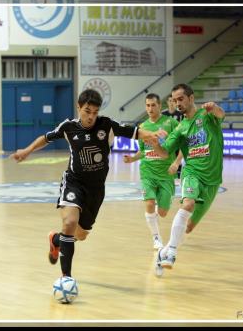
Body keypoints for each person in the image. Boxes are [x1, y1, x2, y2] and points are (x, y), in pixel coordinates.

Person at [9, 89, 158, 280]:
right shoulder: (69, 127)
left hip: (96, 189)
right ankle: (66, 279)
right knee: (69, 223)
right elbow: (46, 138)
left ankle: (55, 240)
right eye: (87, 111)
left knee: (80, 235)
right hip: (74, 182)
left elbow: (133, 132)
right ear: (78, 107)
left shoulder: (106, 125)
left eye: (95, 112)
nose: (91, 117)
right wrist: (27, 150)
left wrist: (150, 136)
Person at [146, 83, 225, 276]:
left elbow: (221, 114)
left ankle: (162, 253)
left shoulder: (207, 116)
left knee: (188, 227)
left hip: (212, 180)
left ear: (191, 98)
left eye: (181, 99)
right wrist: (155, 143)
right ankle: (171, 252)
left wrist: (214, 107)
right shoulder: (180, 128)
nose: (178, 103)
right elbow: (165, 153)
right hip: (192, 173)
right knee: (187, 204)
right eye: (174, 100)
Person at [123, 93, 182, 250]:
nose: (150, 108)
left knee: (162, 213)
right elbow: (143, 152)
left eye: (153, 105)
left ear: (159, 106)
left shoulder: (171, 123)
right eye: (147, 105)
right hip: (147, 172)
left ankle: (156, 214)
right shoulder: (142, 127)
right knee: (149, 203)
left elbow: (182, 144)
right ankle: (156, 238)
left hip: (166, 174)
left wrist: (177, 162)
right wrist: (132, 159)